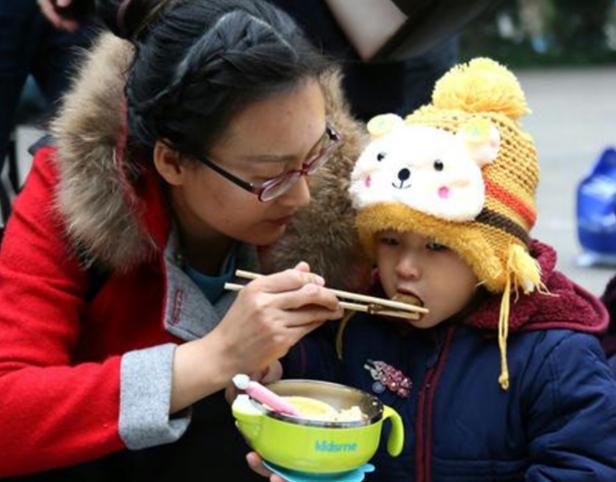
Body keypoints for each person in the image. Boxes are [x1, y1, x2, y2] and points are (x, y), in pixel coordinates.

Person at [0, 0, 370, 478]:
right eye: (269, 177)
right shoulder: (73, 191)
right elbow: (9, 415)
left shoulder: (350, 201)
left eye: (315, 154)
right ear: (172, 162)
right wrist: (214, 358)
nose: (301, 195)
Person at [255, 58, 616, 481]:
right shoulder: (354, 324)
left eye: (437, 246)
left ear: (492, 256)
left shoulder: (555, 352)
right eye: (390, 241)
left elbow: (585, 468)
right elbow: (315, 384)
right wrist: (276, 370)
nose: (405, 268)